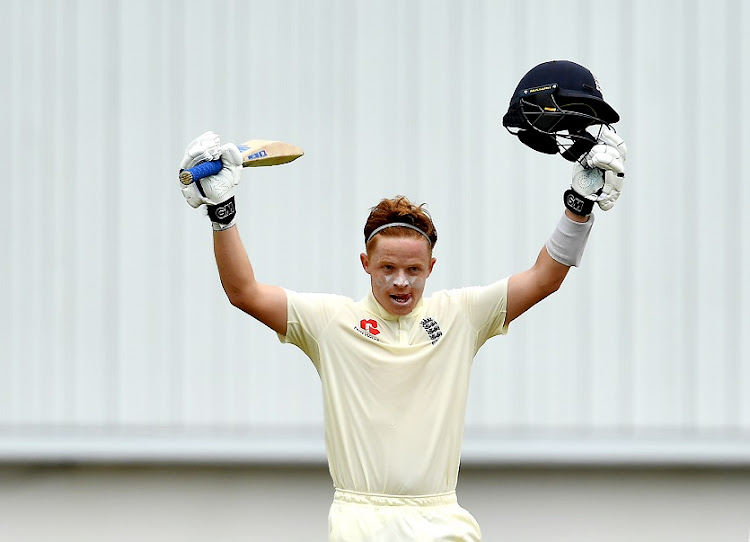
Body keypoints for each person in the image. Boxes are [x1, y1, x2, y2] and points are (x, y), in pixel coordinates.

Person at [178, 62, 626, 542]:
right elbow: (243, 292)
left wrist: (578, 208)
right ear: (365, 264)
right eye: (387, 268)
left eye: (413, 270)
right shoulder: (331, 321)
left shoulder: (460, 315)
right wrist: (220, 214)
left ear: (431, 268)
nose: (400, 282)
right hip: (360, 523)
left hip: (444, 522)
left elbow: (545, 278)